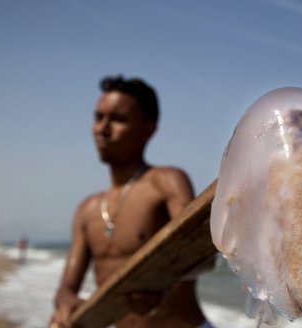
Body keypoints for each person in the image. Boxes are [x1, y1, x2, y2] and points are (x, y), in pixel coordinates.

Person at [50, 76, 209, 328]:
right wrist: (66, 303)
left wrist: (164, 285)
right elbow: (65, 289)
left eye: (118, 119)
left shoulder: (165, 182)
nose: (102, 129)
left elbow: (201, 254)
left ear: (149, 129)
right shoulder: (87, 210)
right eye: (98, 117)